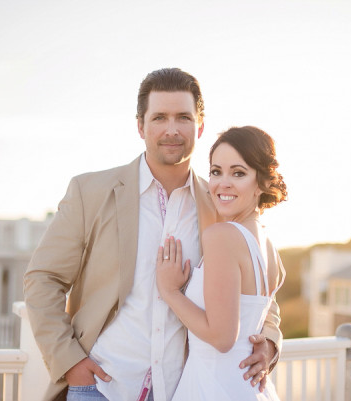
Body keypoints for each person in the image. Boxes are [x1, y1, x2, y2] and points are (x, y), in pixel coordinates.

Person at [23, 68, 283, 401]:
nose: (172, 130)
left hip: (181, 390)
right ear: (140, 126)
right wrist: (70, 361)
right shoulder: (90, 192)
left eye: (183, 118)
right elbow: (42, 278)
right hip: (101, 387)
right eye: (159, 117)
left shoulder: (222, 205)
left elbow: (260, 291)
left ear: (199, 126)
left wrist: (270, 342)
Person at [156, 126, 287, 400]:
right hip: (248, 388)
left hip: (214, 387)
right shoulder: (270, 247)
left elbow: (222, 337)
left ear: (262, 182)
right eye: (216, 171)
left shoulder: (222, 236)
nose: (222, 183)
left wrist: (169, 292)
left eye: (238, 173)